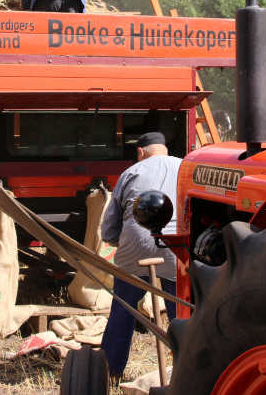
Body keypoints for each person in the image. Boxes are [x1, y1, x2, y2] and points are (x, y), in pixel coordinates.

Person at [99, 133, 181, 379]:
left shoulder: (130, 172)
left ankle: (111, 372)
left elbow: (109, 227)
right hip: (177, 247)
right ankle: (187, 368)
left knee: (123, 310)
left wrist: (118, 242)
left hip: (134, 248)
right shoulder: (184, 167)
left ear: (140, 152)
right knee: (182, 315)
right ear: (164, 150)